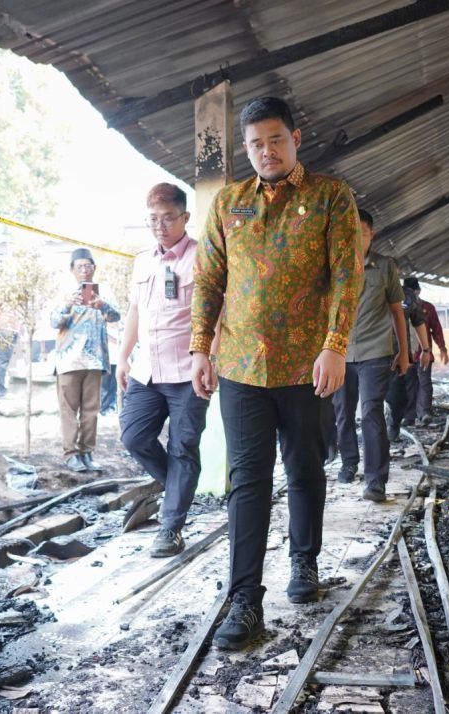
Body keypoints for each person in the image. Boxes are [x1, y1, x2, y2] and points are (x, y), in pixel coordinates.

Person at [190, 96, 362, 650]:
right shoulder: (228, 203)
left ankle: (304, 561)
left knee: (305, 465)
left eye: (276, 140)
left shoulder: (331, 196)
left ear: (296, 138)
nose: (266, 151)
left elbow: (345, 278)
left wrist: (335, 346)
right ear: (246, 148)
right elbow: (209, 281)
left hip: (307, 363)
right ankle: (244, 599)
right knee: (248, 480)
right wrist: (199, 349)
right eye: (256, 143)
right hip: (241, 364)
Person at [118, 182, 210, 558]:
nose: (160, 225)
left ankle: (171, 528)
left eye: (168, 218)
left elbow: (215, 316)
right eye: (153, 219)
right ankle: (177, 490)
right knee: (133, 438)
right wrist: (123, 357)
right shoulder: (143, 260)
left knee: (183, 447)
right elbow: (135, 312)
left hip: (188, 371)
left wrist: (210, 359)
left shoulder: (202, 258)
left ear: (185, 218)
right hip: (147, 371)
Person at [333, 209, 412, 501]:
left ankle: (376, 480)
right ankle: (349, 461)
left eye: (362, 233)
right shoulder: (336, 265)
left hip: (376, 351)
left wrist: (405, 353)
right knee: (342, 413)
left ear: (371, 234)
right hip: (339, 353)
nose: (357, 238)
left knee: (370, 411)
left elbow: (396, 311)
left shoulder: (385, 267)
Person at [50, 248, 121, 473]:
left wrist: (103, 305)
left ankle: (87, 452)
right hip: (69, 360)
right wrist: (67, 305)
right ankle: (71, 454)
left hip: (95, 359)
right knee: (69, 409)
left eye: (88, 266)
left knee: (91, 409)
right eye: (79, 266)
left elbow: (116, 316)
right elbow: (53, 322)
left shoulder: (104, 292)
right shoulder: (62, 293)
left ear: (94, 268)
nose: (84, 270)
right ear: (72, 270)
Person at [385, 278, 431, 442]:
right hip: (371, 355)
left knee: (397, 397)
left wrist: (425, 350)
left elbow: (419, 321)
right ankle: (374, 445)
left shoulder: (407, 295)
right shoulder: (366, 288)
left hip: (399, 356)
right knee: (371, 401)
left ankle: (394, 424)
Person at [402, 277, 449, 426]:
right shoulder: (399, 308)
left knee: (424, 384)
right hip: (405, 355)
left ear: (418, 291)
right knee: (408, 385)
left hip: (423, 354)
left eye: (412, 292)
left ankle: (424, 414)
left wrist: (442, 348)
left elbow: (436, 329)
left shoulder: (427, 308)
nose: (410, 296)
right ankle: (409, 416)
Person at [0, 298, 20, 399]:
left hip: (7, 329)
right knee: (1, 361)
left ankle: (1, 391)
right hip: (4, 329)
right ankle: (0, 392)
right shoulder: (4, 293)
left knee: (2, 361)